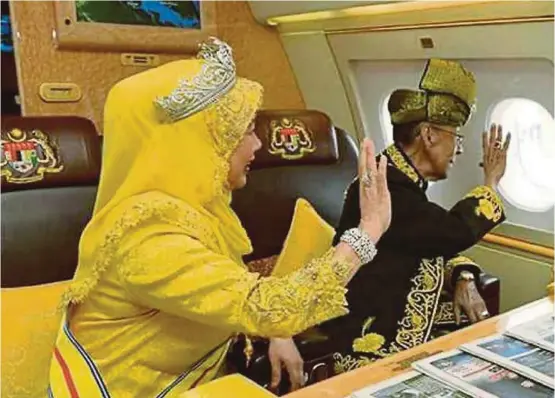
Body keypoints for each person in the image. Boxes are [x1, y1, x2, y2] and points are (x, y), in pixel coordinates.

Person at [47, 38, 391, 397]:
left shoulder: (191, 207)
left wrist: (276, 331)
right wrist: (367, 231)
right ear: (196, 142)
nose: (257, 145)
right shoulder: (148, 239)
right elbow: (274, 306)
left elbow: (228, 292)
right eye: (245, 132)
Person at [318, 58, 511, 374]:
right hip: (373, 330)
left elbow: (423, 240)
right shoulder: (389, 186)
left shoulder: (400, 178)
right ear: (429, 135)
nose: (458, 150)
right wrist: (490, 183)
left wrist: (463, 276)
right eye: (456, 138)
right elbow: (451, 232)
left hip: (396, 306)